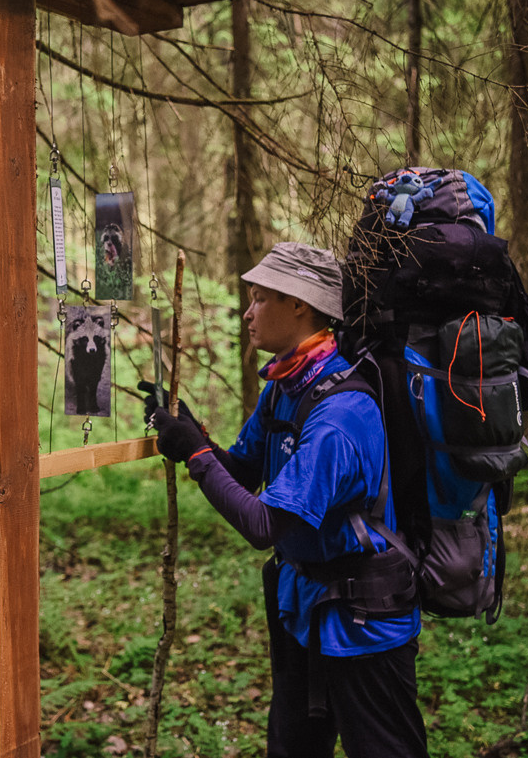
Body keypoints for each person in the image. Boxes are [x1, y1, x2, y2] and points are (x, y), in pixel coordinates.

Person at [144, 241, 429, 758]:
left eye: (259, 298)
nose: (248, 312)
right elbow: (246, 471)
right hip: (304, 614)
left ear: (299, 304)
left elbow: (263, 525)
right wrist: (190, 432)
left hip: (365, 627)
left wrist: (196, 457)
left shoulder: (340, 415)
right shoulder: (288, 384)